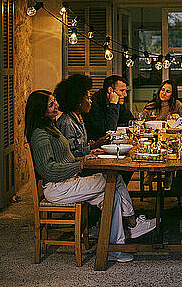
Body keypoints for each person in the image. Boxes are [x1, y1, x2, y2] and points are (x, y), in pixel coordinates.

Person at [25, 90, 156, 263]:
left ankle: (113, 246)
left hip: (67, 182)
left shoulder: (51, 127)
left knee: (111, 195)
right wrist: (79, 165)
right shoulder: (40, 135)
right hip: (57, 187)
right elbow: (48, 170)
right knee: (113, 180)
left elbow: (65, 159)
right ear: (41, 110)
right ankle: (131, 224)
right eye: (51, 104)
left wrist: (83, 158)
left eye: (55, 101)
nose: (56, 105)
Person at [54, 74, 108, 157]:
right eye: (88, 98)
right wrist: (93, 146)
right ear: (78, 101)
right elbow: (70, 155)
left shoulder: (78, 118)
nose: (91, 102)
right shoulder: (67, 123)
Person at [84, 75, 134, 141]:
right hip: (97, 146)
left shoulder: (119, 102)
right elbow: (109, 130)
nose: (125, 95)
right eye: (122, 91)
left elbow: (130, 121)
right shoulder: (93, 104)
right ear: (110, 90)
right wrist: (113, 105)